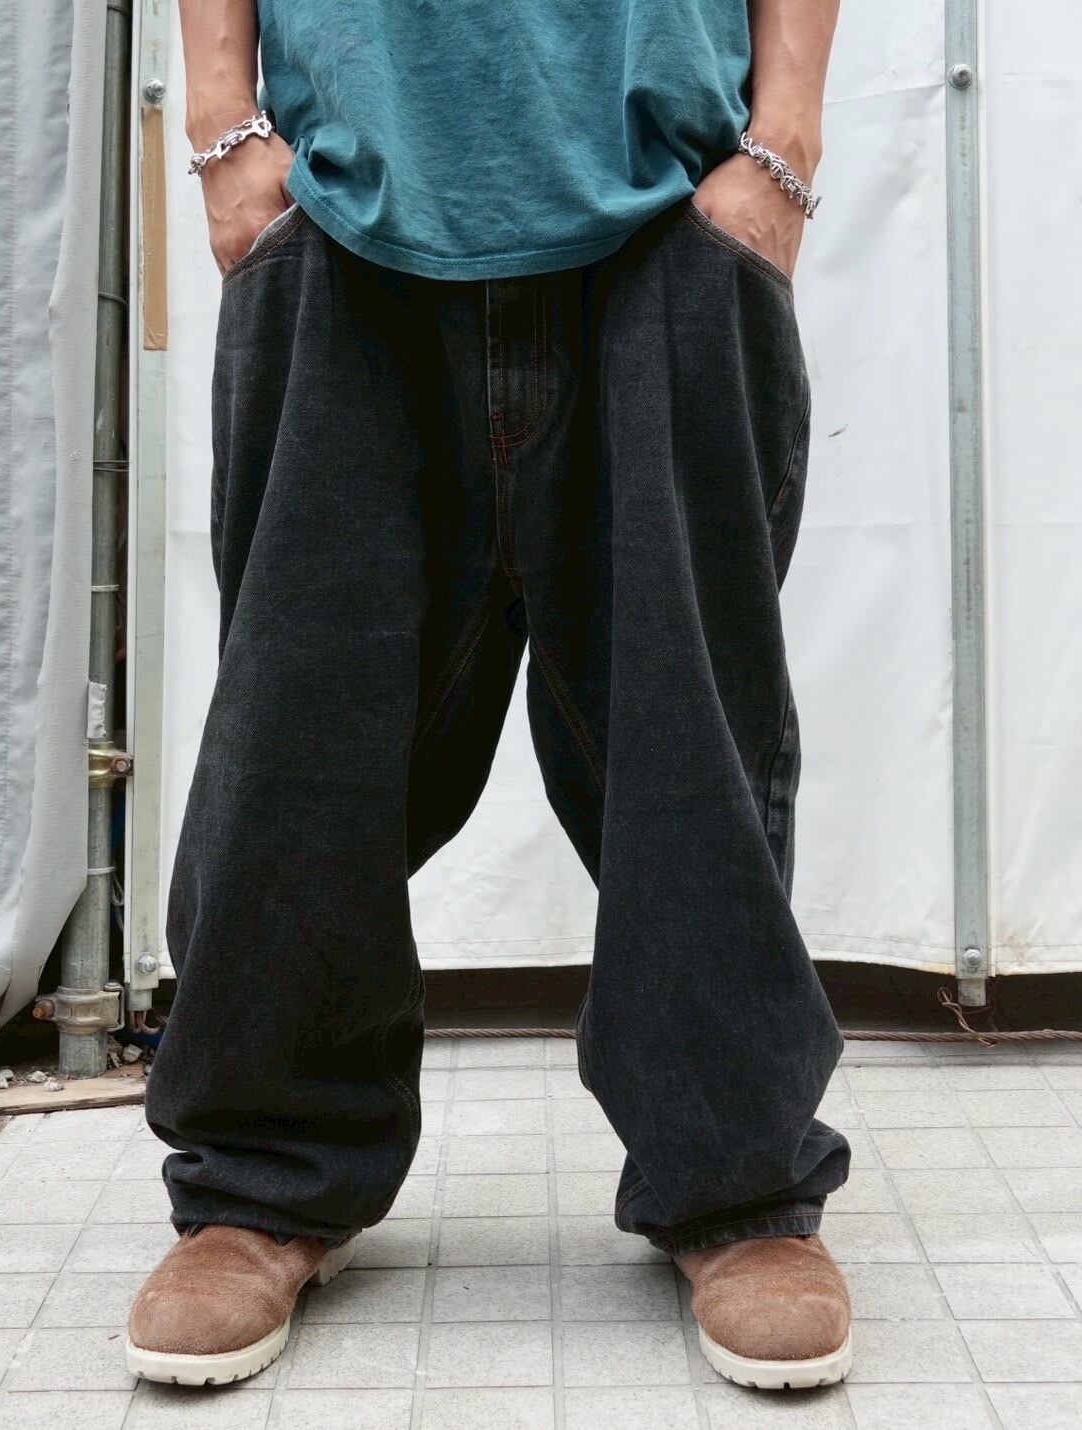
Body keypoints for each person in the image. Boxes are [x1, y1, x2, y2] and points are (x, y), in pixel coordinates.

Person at [127, 0, 853, 1392]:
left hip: (671, 214)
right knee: (294, 736)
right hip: (342, 214)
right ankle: (262, 1181)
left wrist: (784, 144)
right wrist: (224, 133)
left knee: (689, 737)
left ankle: (741, 1183)